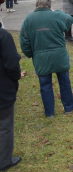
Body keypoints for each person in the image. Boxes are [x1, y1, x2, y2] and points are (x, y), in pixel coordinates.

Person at [20, 0, 73, 119]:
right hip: (59, 56)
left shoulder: (29, 19)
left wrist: (31, 54)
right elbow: (69, 20)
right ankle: (69, 108)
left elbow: (24, 41)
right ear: (50, 5)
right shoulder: (56, 15)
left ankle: (50, 112)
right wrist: (55, 11)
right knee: (64, 82)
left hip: (41, 57)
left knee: (45, 85)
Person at [0, 27, 22, 171]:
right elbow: (12, 63)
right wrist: (15, 79)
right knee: (5, 126)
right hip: (2, 89)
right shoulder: (3, 36)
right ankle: (4, 161)